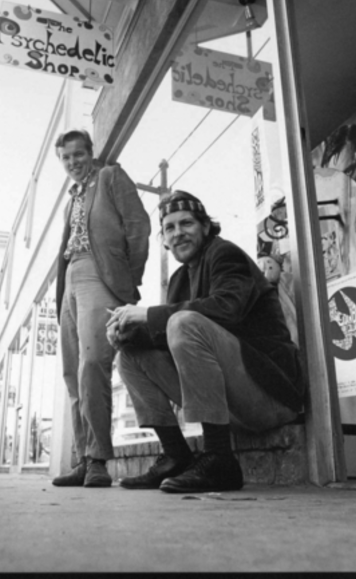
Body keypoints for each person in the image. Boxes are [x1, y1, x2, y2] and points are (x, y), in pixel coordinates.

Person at [107, 190, 305, 493]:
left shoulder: (225, 254)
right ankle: (176, 454)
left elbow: (226, 309)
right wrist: (126, 332)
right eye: (170, 228)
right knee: (129, 355)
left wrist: (147, 314)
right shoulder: (178, 280)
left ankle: (219, 459)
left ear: (206, 226)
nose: (178, 233)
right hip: (233, 404)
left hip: (271, 395)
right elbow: (163, 339)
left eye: (186, 223)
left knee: (183, 321)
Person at [52, 129, 151, 488]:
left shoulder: (110, 176)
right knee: (72, 371)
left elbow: (138, 226)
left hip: (100, 274)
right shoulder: (71, 198)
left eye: (78, 154)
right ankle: (83, 458)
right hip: (69, 282)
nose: (73, 162)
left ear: (91, 153)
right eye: (66, 158)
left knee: (93, 362)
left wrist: (128, 281)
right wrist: (60, 292)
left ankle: (98, 459)